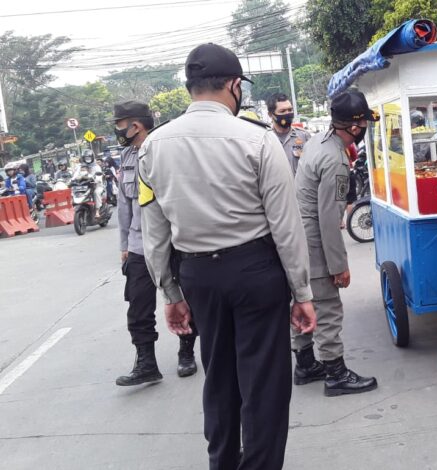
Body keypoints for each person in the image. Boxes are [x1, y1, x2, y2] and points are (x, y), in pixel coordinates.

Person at [138, 43, 316, 469]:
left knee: (218, 376)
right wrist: (303, 291)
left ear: (191, 87)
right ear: (235, 85)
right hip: (256, 271)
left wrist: (170, 292)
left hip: (198, 274)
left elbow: (155, 230)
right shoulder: (258, 140)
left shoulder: (153, 146)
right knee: (265, 383)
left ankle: (223, 462)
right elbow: (285, 225)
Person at [293, 91, 379, 396]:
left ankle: (304, 363)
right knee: (327, 306)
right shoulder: (335, 160)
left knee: (301, 300)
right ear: (355, 127)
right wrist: (338, 266)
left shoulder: (318, 140)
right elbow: (329, 219)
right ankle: (335, 373)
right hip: (313, 239)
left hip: (296, 237)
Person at [113, 100, 199, 387]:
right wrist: (124, 243)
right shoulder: (125, 158)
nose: (117, 131)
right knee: (138, 306)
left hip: (174, 242)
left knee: (183, 300)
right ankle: (146, 363)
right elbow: (124, 206)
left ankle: (186, 353)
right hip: (139, 245)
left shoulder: (167, 151)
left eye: (119, 125)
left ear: (135, 125)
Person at [267, 92, 310, 175]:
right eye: (282, 111)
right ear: (271, 115)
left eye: (290, 110)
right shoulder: (266, 139)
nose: (288, 114)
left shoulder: (304, 136)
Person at [74, 150, 106, 215]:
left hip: (96, 185)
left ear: (92, 157)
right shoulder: (79, 166)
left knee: (96, 193)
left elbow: (99, 177)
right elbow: (75, 175)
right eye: (86, 158)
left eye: (89, 158)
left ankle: (97, 211)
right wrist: (72, 180)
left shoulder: (96, 166)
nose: (87, 159)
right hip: (84, 186)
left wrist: (95, 179)